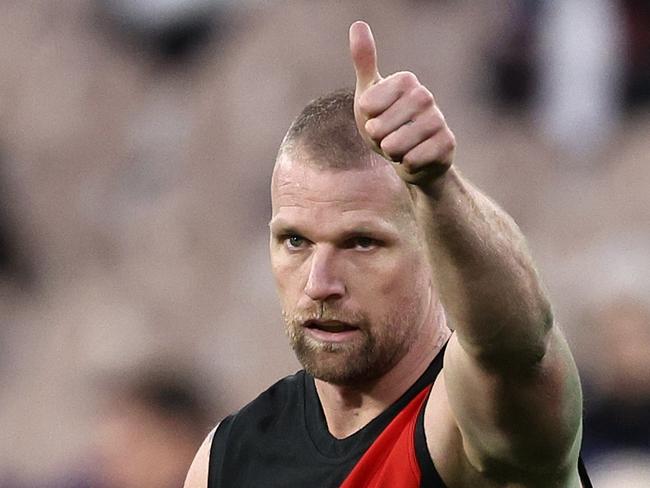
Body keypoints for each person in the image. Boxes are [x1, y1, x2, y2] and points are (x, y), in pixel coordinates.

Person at [185, 21, 591, 487]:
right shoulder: (228, 459)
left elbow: (520, 350)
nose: (320, 283)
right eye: (295, 241)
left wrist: (436, 186)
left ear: (432, 252)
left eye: (362, 242)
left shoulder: (464, 424)